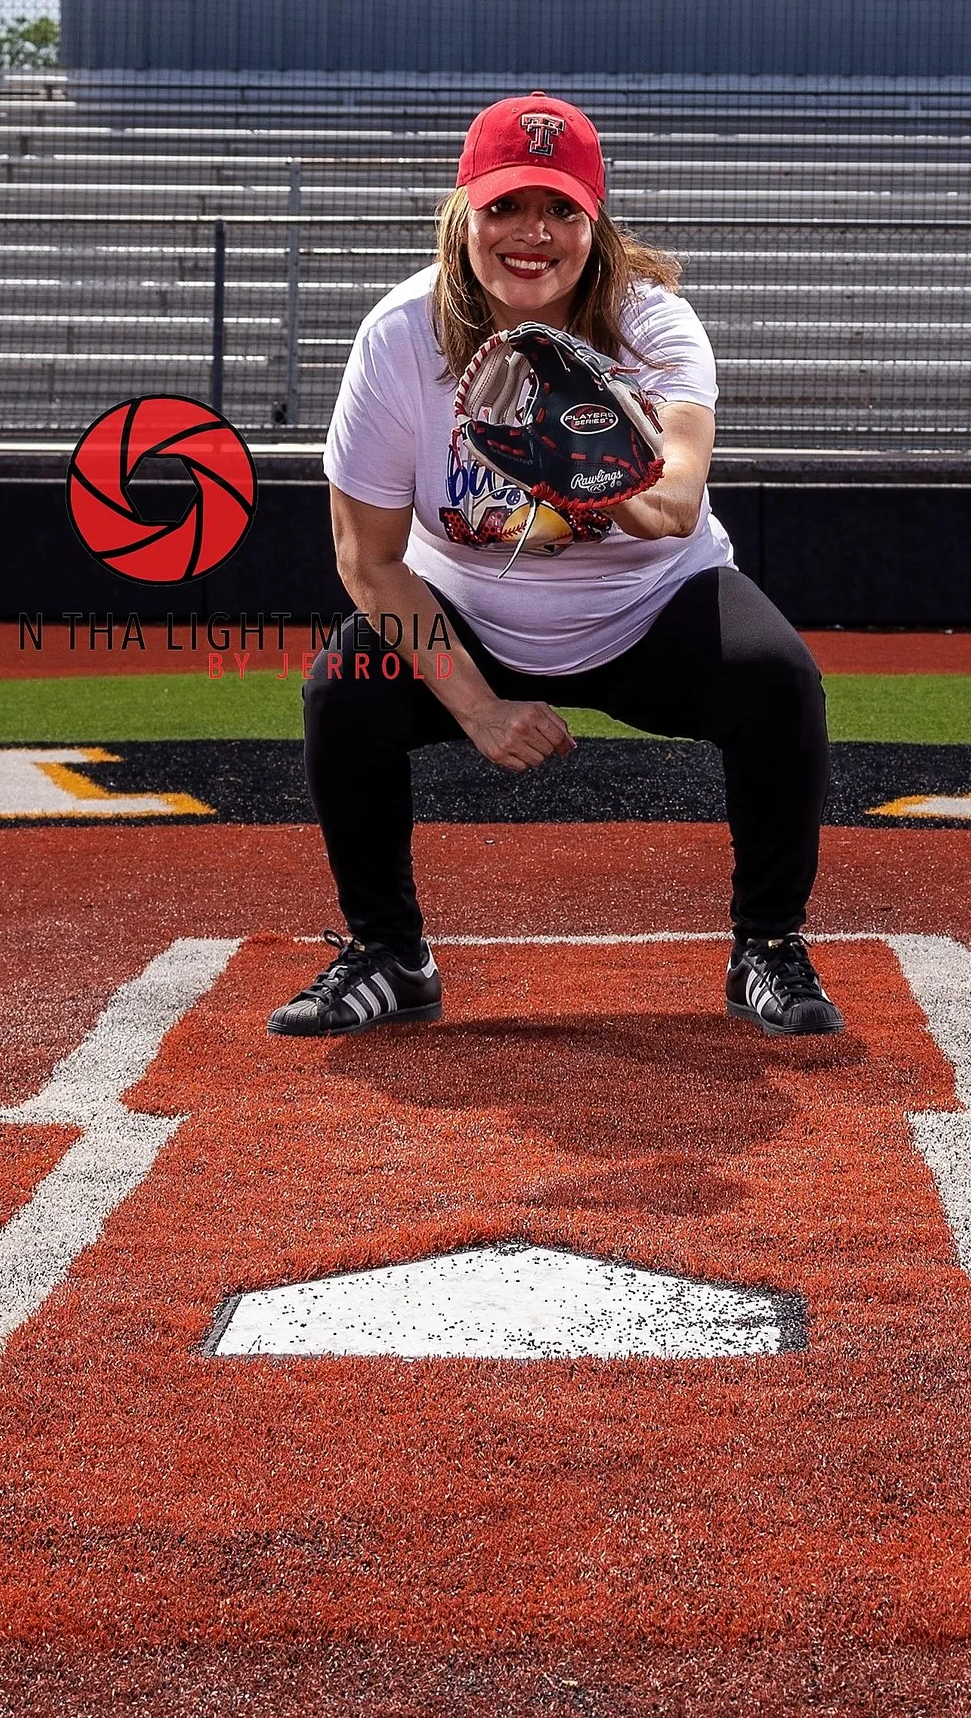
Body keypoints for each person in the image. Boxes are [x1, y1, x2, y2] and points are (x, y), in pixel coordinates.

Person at [270, 90, 841, 1042]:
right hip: (465, 613)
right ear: (464, 215)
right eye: (505, 207)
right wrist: (480, 708)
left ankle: (767, 946)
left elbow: (676, 505)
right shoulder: (398, 337)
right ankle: (389, 955)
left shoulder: (654, 327)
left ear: (595, 220)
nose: (531, 234)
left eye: (559, 210)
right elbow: (366, 560)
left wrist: (575, 465)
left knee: (778, 681)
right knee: (344, 689)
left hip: (646, 606)